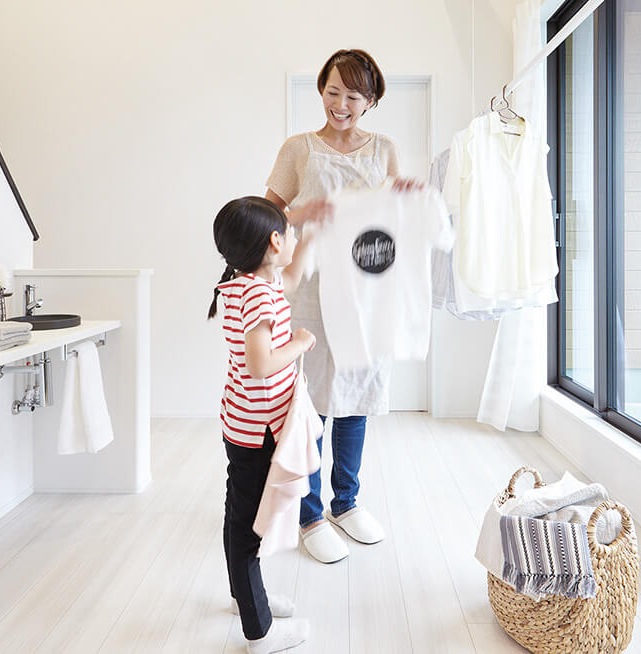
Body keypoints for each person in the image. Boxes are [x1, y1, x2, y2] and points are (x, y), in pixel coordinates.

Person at [265, 49, 420, 564]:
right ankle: (308, 514)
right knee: (308, 404)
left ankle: (346, 503)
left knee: (356, 397)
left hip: (366, 293)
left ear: (370, 100)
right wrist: (299, 216)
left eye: (353, 95)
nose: (340, 104)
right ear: (321, 90)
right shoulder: (299, 150)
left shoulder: (385, 150)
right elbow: (262, 218)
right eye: (333, 91)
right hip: (309, 293)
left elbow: (396, 221)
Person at [209, 196, 316, 654]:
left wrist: (310, 231)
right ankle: (260, 631)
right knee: (249, 526)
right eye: (288, 233)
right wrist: (301, 342)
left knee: (241, 516)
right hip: (258, 430)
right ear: (274, 242)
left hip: (245, 422)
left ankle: (244, 597)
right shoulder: (257, 294)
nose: (292, 239)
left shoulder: (243, 284)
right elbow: (260, 365)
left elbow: (288, 279)